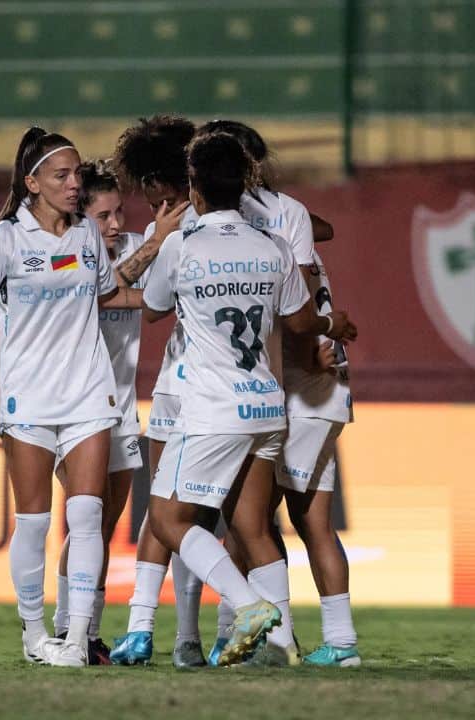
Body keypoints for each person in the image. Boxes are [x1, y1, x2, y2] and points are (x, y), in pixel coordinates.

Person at [140, 131, 358, 667]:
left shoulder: (183, 245)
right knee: (253, 527)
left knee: (169, 521)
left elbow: (150, 308)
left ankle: (249, 606)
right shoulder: (274, 246)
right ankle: (282, 646)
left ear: (194, 187)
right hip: (267, 405)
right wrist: (335, 324)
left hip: (213, 406)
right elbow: (302, 320)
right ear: (244, 184)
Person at [0, 127, 141, 667]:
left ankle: (76, 636)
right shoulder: (3, 240)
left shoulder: (85, 238)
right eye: (62, 175)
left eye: (77, 174)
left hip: (88, 397)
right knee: (33, 522)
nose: (75, 184)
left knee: (87, 516)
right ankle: (34, 636)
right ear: (32, 183)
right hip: (28, 401)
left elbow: (111, 296)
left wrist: (175, 292)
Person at [103, 115, 208, 667]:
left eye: (144, 184)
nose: (141, 198)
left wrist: (162, 243)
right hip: (226, 390)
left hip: (186, 385)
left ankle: (147, 629)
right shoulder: (242, 217)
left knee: (166, 511)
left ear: (157, 179)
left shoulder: (173, 231)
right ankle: (189, 638)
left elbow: (142, 303)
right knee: (204, 515)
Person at [49, 160, 150, 665]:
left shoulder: (132, 247)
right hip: (73, 409)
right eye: (104, 216)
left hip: (124, 410)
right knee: (83, 522)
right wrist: (150, 254)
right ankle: (71, 628)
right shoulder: (61, 256)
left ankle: (83, 627)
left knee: (103, 527)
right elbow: (97, 288)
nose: (115, 225)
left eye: (120, 214)